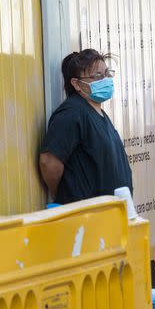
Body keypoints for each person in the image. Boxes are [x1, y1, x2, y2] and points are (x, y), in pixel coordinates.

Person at [39, 49, 132, 204]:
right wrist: (61, 195)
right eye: (98, 76)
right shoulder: (72, 112)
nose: (106, 79)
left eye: (107, 73)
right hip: (88, 219)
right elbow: (49, 161)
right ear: (76, 83)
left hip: (111, 217)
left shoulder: (99, 114)